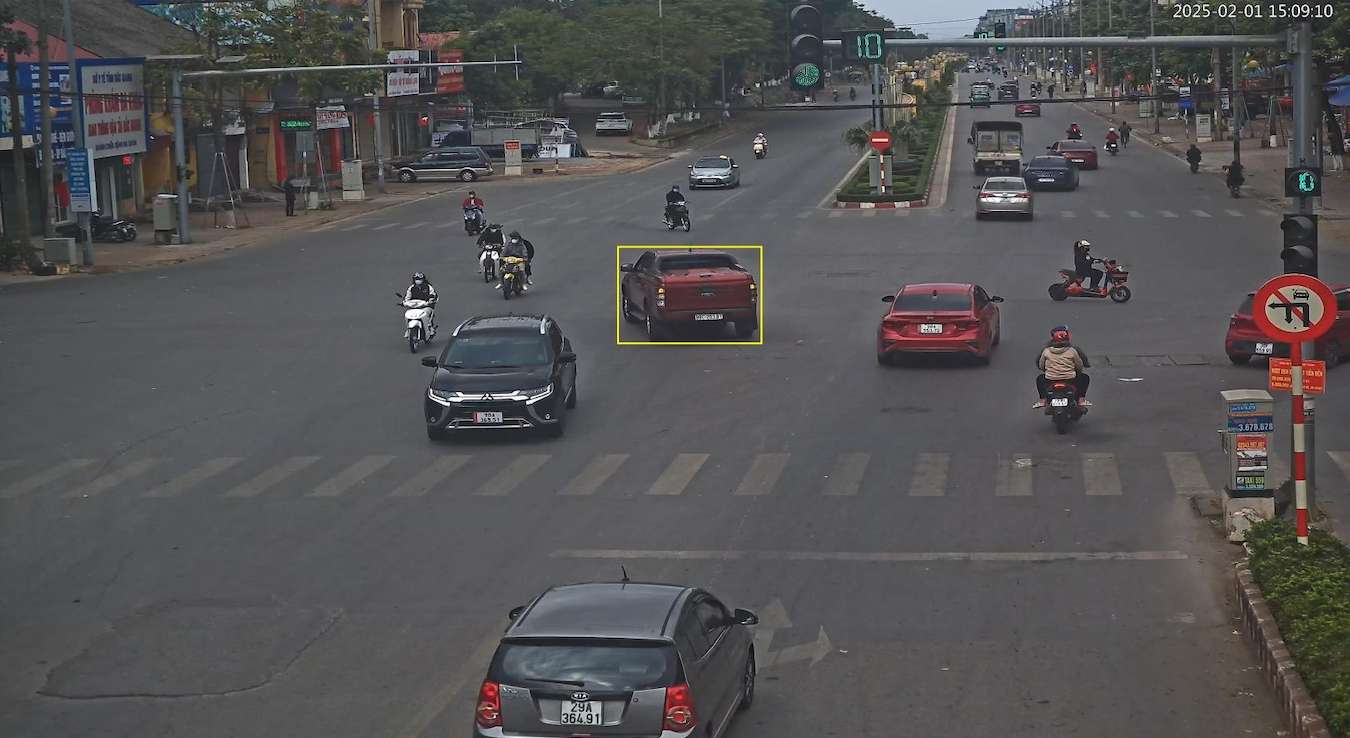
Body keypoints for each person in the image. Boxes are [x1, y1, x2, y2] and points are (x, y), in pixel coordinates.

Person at [1033, 325, 1091, 409]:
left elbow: (1041, 365)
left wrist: (1049, 371)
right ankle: (1081, 399)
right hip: (1070, 379)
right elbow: (1079, 365)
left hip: (1050, 379)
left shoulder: (1046, 351)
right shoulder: (1072, 350)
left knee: (1040, 379)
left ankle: (1042, 400)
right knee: (1085, 378)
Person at [403, 272, 438, 336]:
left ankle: (429, 329)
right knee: (407, 315)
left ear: (423, 280)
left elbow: (434, 295)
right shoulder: (411, 288)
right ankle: (408, 331)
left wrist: (431, 301)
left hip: (425, 307)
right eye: (416, 279)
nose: (418, 281)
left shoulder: (428, 287)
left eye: (419, 279)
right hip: (413, 307)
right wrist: (405, 302)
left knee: (426, 314)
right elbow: (407, 297)